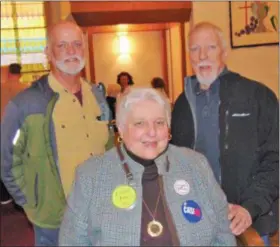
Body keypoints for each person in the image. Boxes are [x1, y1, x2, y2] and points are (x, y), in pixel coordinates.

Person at [59, 87, 236, 246]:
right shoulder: (91, 175)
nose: (152, 132)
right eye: (139, 123)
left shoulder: (195, 164)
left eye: (159, 122)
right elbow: (72, 241)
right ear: (121, 128)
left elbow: (223, 231)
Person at [1, 21, 111, 246]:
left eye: (77, 44)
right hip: (55, 222)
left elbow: (109, 146)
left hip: (99, 212)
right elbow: (7, 160)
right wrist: (33, 201)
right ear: (48, 53)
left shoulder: (97, 96)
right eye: (62, 45)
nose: (71, 52)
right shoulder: (27, 104)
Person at [170, 22, 279, 245]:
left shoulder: (258, 97)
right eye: (194, 49)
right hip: (198, 222)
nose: (202, 56)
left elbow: (275, 158)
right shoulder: (181, 105)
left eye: (210, 47)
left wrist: (250, 208)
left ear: (224, 52)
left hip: (248, 221)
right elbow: (177, 164)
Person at [1, 63, 26, 206]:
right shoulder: (25, 89)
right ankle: (19, 194)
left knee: (3, 160)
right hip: (18, 130)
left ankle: (4, 195)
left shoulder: (1, 87)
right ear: (20, 74)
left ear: (8, 73)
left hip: (1, 128)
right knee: (19, 161)